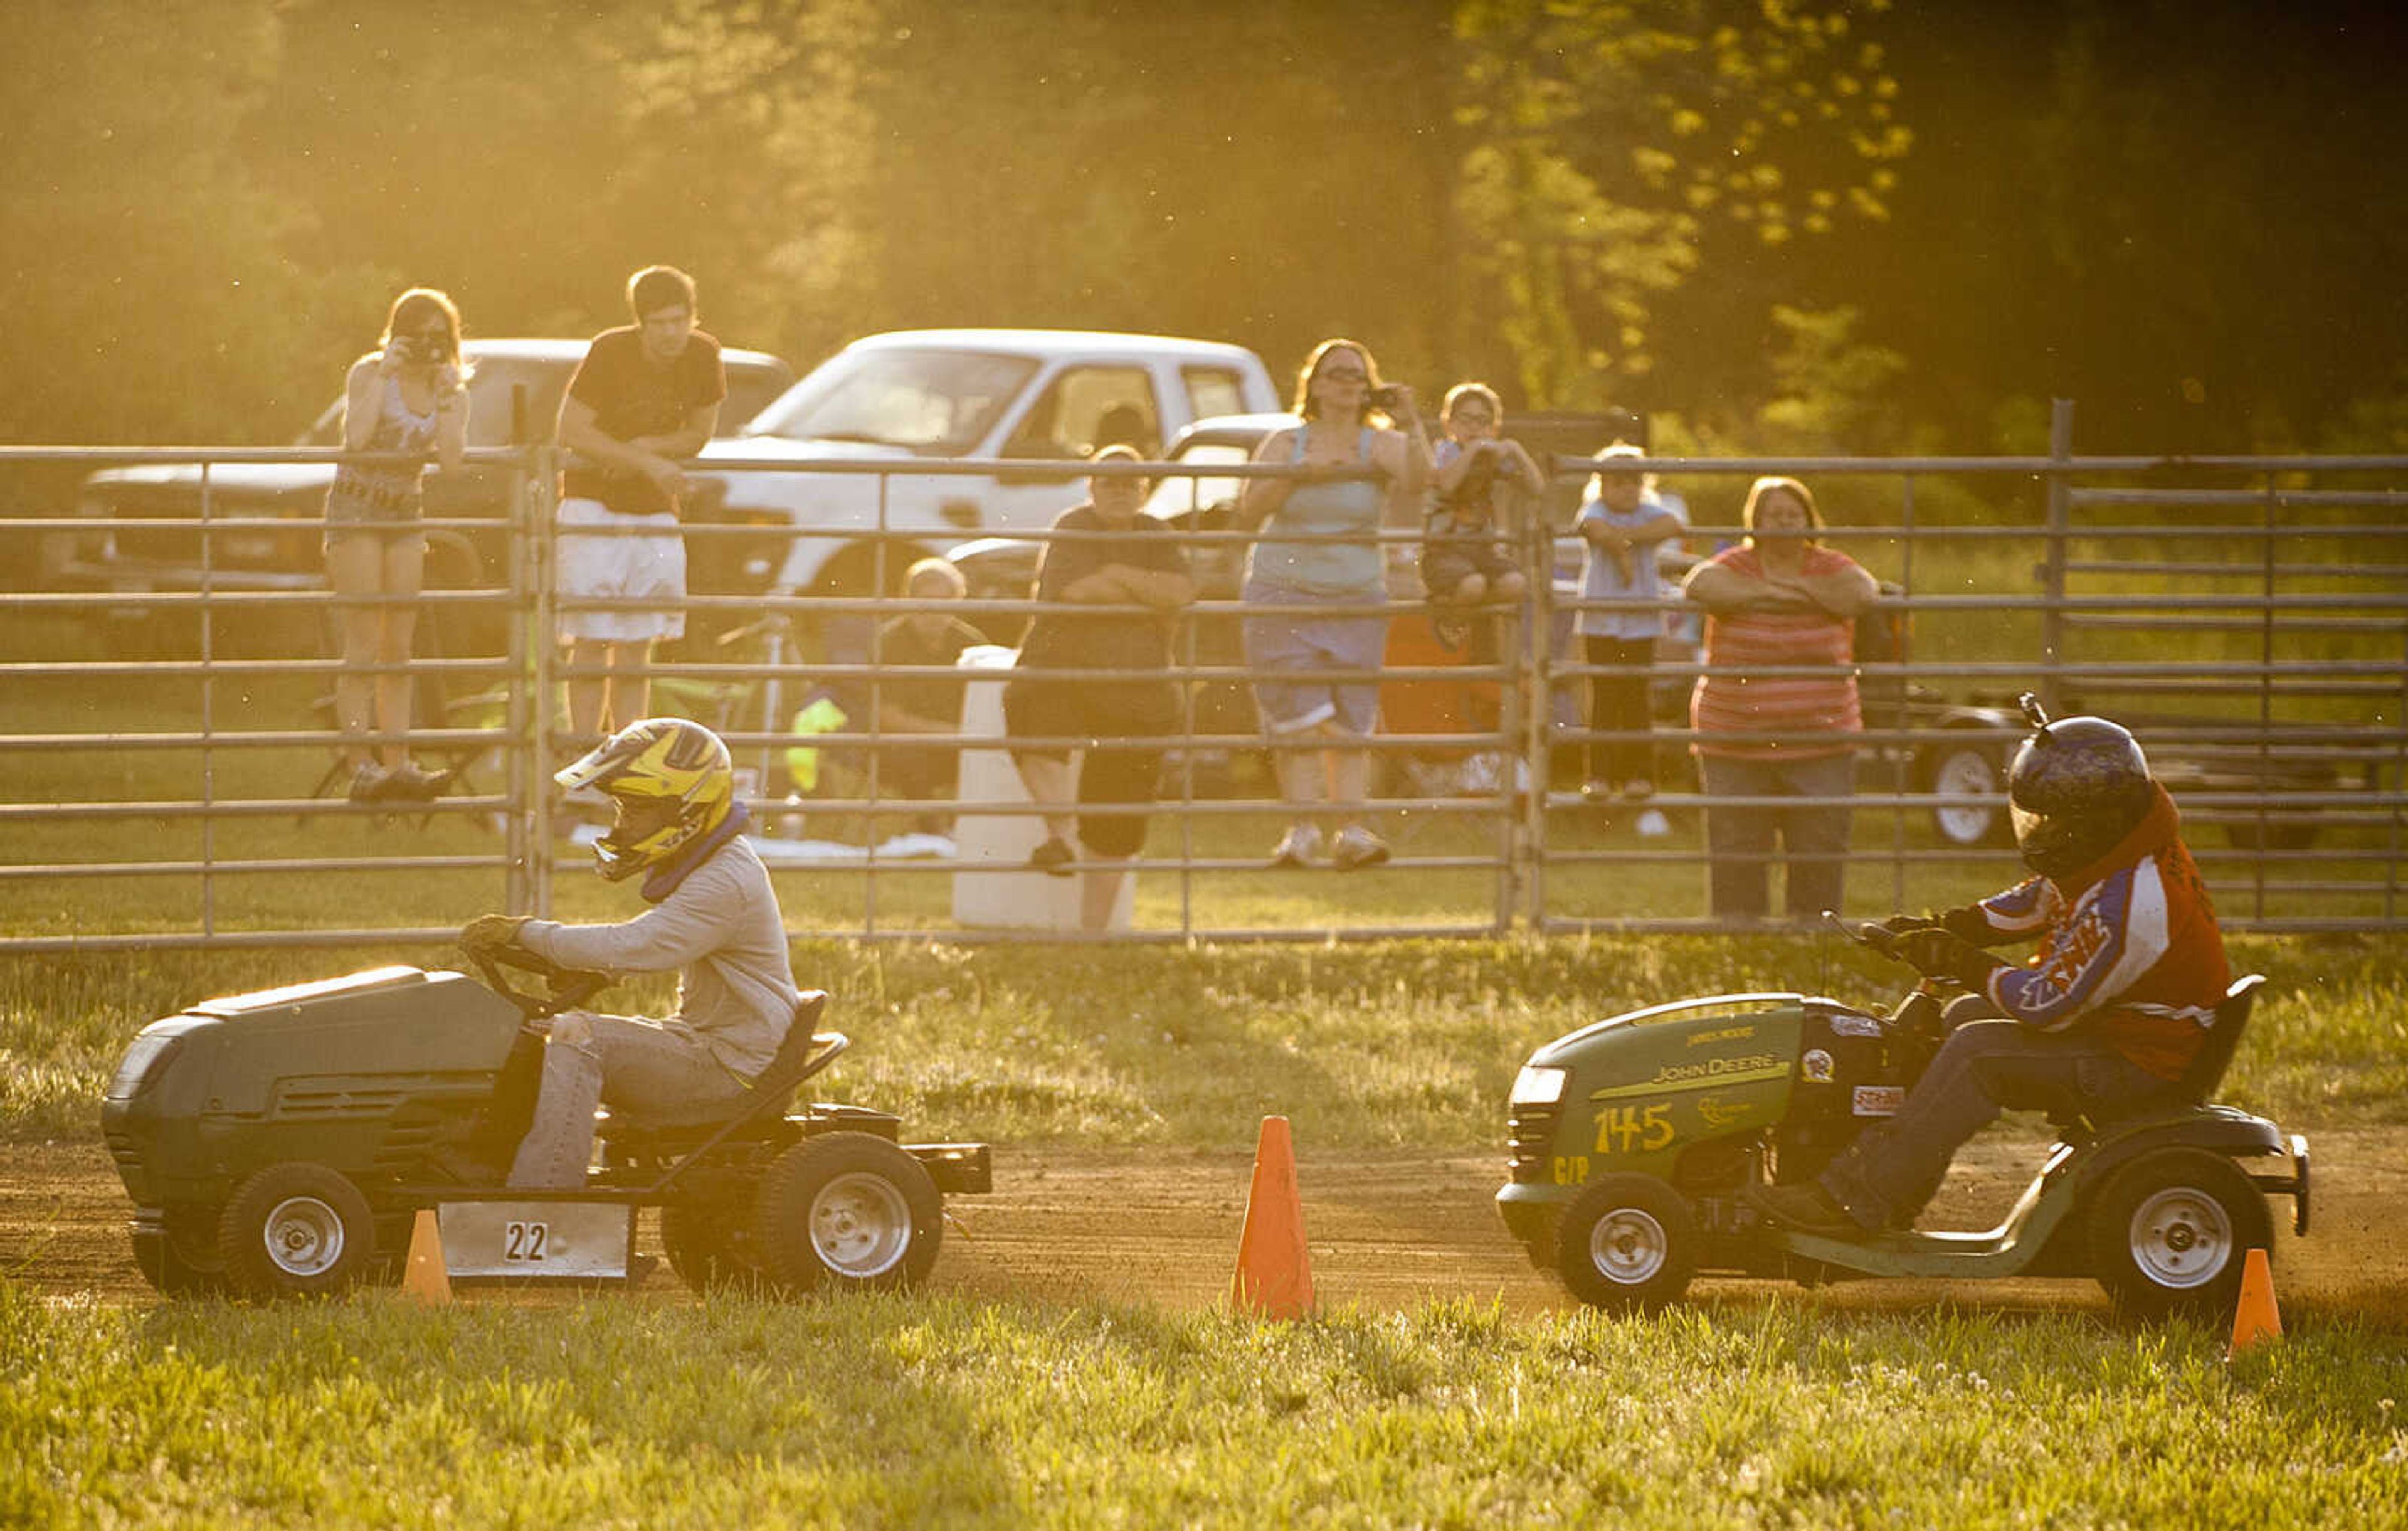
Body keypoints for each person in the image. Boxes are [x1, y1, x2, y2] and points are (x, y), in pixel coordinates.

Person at [1749, 708, 2231, 1235]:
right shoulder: (2121, 852)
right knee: (1964, 1016)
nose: (2043, 832)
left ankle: (1854, 1199)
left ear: (2092, 822)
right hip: (2132, 1033)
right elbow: (2039, 899)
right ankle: (1896, 1192)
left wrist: (1961, 960)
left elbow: (2048, 1005)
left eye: (2054, 822)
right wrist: (1952, 928)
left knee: (1976, 1052)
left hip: (2142, 1063)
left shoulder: (2136, 900)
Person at [460, 718, 798, 1189]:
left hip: (727, 1065)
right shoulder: (715, 863)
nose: (622, 823)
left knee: (580, 1036)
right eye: (621, 807)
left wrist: (526, 933)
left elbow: (634, 945)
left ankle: (545, 1201)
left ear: (685, 809)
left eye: (636, 809)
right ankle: (485, 1170)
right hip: (708, 1043)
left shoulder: (725, 880)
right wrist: (581, 966)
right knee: (544, 1032)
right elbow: (656, 945)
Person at [1237, 339, 1428, 871]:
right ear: (1316, 384)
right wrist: (1299, 477)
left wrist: (1411, 419)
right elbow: (1245, 513)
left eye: (1358, 374)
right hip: (1283, 592)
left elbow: (1421, 477)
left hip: (1356, 595)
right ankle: (1300, 830)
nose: (1348, 382)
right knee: (1295, 720)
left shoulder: (1380, 444)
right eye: (1337, 373)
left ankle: (1351, 829)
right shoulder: (1286, 443)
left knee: (1349, 722)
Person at [1004, 445, 1194, 930]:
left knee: (1118, 808)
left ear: (1145, 490)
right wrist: (1143, 591)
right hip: (1062, 670)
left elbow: (1180, 593)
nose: (1121, 491)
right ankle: (1062, 834)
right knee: (1030, 711)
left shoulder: (1156, 531)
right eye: (1109, 482)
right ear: (1091, 487)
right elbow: (1074, 592)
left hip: (1138, 683)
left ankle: (1091, 934)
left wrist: (1116, 574)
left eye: (1131, 483)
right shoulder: (1073, 524)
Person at [1680, 475, 1879, 920]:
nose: (1785, 522)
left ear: (1809, 520)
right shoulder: (1735, 563)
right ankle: (1740, 933)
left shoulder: (1830, 564)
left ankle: (1812, 934)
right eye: (1775, 514)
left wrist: (1778, 594)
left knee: (1819, 845)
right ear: (1755, 520)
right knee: (1736, 845)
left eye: (1794, 514)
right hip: (1735, 738)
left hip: (1821, 738)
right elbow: (1700, 585)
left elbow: (1861, 593)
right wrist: (1790, 596)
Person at [555, 265, 727, 744]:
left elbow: (698, 434)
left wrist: (643, 452)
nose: (672, 332)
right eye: (660, 323)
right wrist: (644, 461)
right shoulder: (610, 350)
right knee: (590, 636)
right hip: (592, 501)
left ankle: (626, 757)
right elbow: (570, 429)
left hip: (653, 506)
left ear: (693, 317)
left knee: (637, 641)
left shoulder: (703, 354)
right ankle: (585, 752)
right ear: (641, 323)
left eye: (680, 320)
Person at [324, 287, 470, 803]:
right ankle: (360, 765)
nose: (430, 346)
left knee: (399, 648)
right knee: (362, 641)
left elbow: (451, 463)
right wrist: (386, 373)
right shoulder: (369, 373)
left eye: (440, 337)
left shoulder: (450, 387)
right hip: (358, 505)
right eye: (419, 335)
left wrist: (450, 398)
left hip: (406, 512)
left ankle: (399, 761)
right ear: (398, 333)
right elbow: (356, 439)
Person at [1574, 442, 1686, 803]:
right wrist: (1621, 551)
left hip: (1639, 621)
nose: (1626, 488)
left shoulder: (1647, 513)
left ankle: (1640, 776)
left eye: (1634, 481)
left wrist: (1626, 542)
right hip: (1602, 619)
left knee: (1637, 697)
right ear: (1602, 484)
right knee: (1605, 697)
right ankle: (1599, 775)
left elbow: (1673, 524)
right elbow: (1593, 529)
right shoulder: (1596, 509)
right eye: (1618, 481)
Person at [866, 557, 988, 832]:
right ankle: (931, 830)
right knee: (909, 750)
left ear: (958, 601)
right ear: (908, 600)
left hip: (961, 740)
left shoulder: (972, 643)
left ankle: (972, 828)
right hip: (909, 745)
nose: (935, 610)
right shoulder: (889, 643)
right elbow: (888, 718)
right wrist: (954, 734)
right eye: (926, 601)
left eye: (945, 600)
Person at [1421, 383, 1541, 650]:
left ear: (1494, 428)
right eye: (1466, 420)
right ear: (1448, 424)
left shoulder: (1494, 456)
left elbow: (1536, 488)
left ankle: (1461, 610)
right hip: (1444, 550)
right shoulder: (1445, 452)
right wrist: (1473, 450)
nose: (1474, 428)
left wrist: (1516, 450)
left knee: (1516, 584)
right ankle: (1448, 617)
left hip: (1481, 552)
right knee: (1474, 585)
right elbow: (1447, 485)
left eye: (1483, 421)